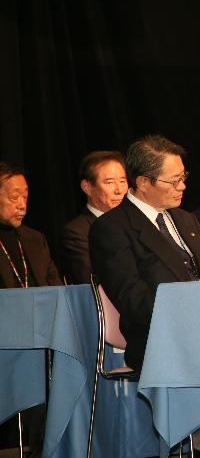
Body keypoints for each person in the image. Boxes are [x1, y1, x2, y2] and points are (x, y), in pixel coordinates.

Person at [89, 135, 200, 372]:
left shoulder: (187, 220)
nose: (182, 186)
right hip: (160, 340)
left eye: (183, 177)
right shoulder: (112, 228)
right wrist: (194, 318)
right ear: (143, 182)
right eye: (174, 181)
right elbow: (134, 300)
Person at [0, 162, 63, 458]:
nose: (22, 205)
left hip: (40, 341)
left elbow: (54, 287)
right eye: (14, 197)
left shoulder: (35, 239)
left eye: (25, 197)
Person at [60, 151, 128, 284]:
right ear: (87, 187)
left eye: (122, 181)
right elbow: (89, 278)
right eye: (109, 182)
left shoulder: (134, 223)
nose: (119, 190)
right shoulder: (77, 232)